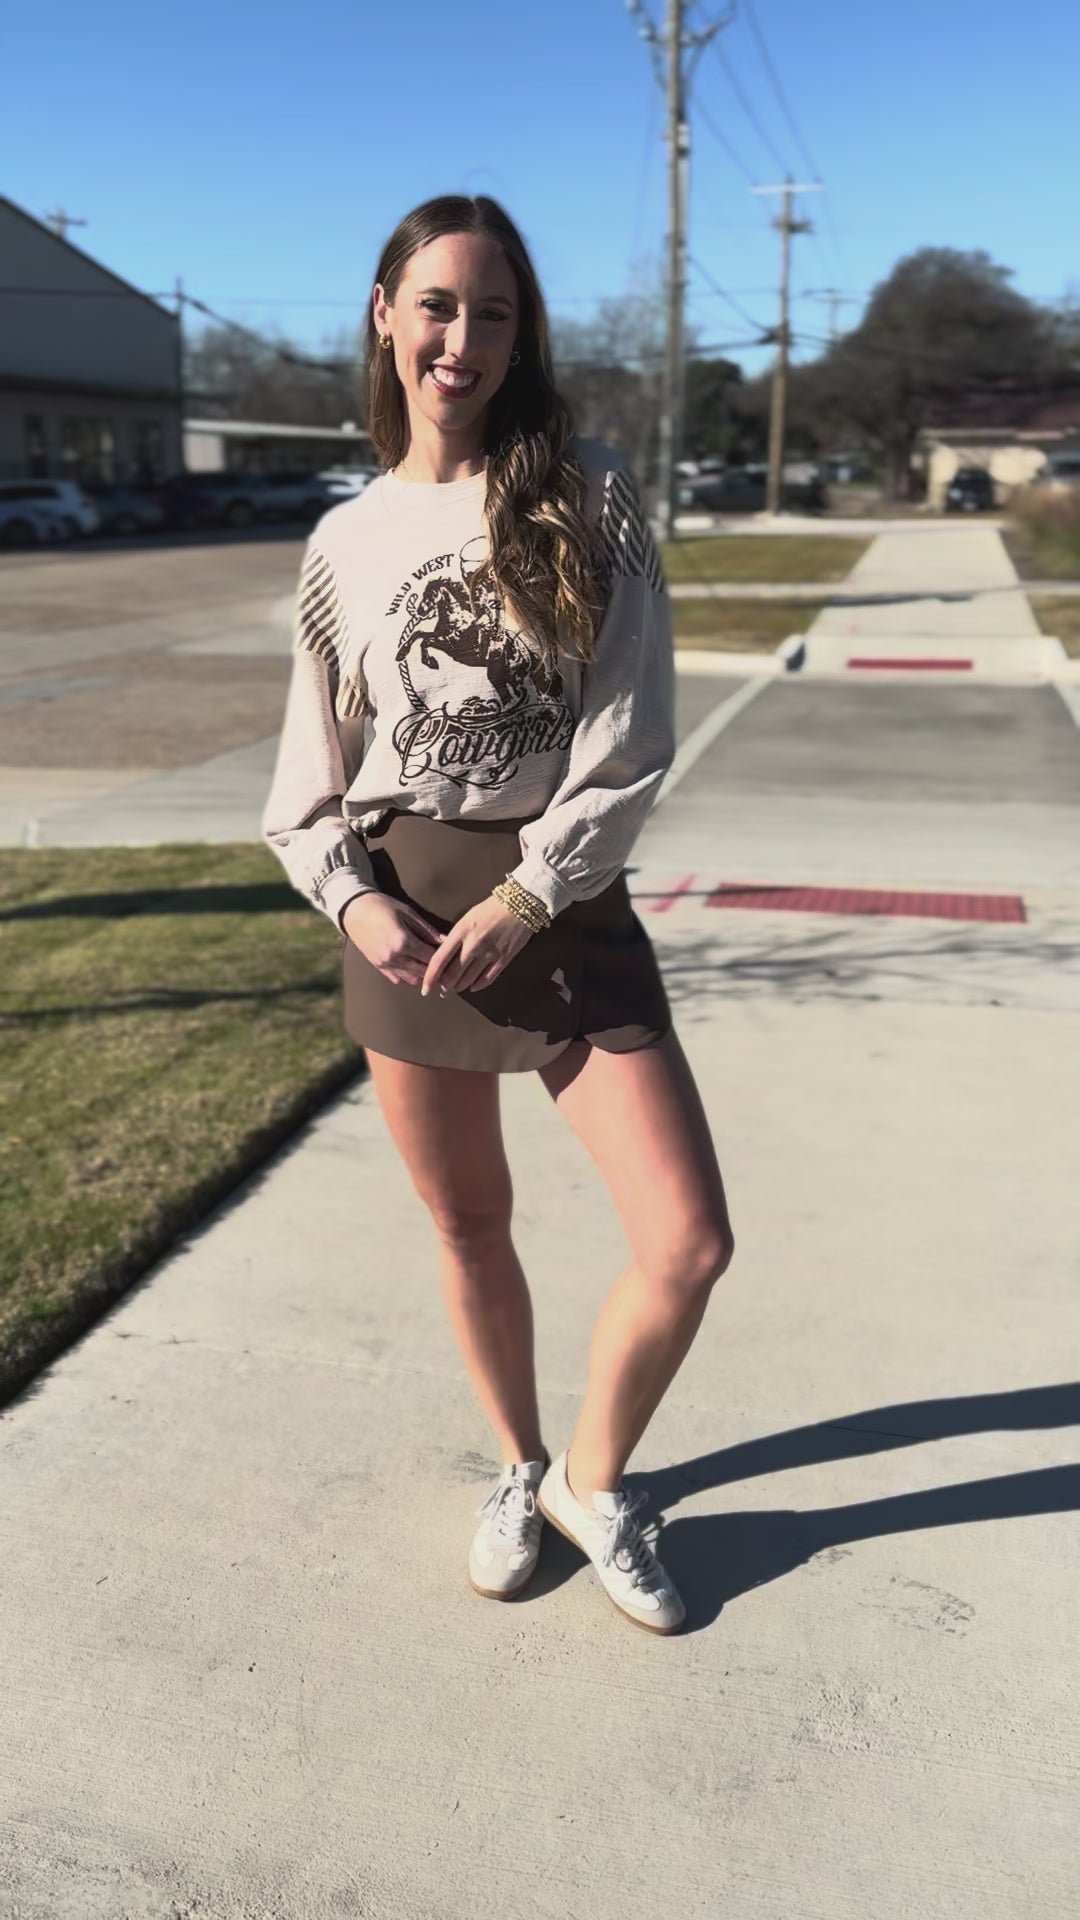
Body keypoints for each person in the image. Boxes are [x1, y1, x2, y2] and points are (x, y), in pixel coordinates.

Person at [262, 194, 734, 1636]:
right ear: (387, 316)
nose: (464, 339)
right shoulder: (345, 543)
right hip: (409, 918)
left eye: (497, 312)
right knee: (469, 1224)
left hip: (561, 904)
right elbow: (309, 783)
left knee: (688, 1239)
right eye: (439, 306)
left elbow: (631, 731)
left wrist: (535, 892)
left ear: (524, 336)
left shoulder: (583, 494)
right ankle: (520, 1468)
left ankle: (596, 1480)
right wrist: (353, 905)